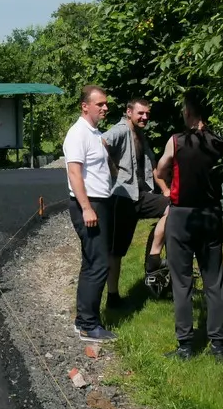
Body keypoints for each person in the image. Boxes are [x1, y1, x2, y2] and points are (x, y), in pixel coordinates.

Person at [155, 89, 223, 362]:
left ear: (188, 111)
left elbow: (160, 170)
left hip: (182, 216)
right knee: (214, 280)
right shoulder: (220, 143)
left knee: (182, 281)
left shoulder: (175, 142)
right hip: (210, 215)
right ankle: (218, 344)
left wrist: (166, 183)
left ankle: (186, 345)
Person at [101, 98, 170, 306]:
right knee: (117, 250)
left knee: (172, 207)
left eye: (147, 114)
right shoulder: (121, 130)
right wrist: (114, 174)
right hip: (122, 198)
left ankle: (152, 259)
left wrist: (166, 189)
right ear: (128, 112)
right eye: (141, 113)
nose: (145, 117)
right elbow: (101, 144)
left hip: (140, 194)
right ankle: (113, 296)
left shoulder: (140, 134)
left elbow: (154, 166)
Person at [63, 85, 117, 342]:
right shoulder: (77, 134)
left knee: (91, 262)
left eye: (106, 104)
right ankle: (88, 325)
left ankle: (83, 318)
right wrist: (87, 208)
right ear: (85, 106)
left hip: (99, 203)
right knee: (100, 264)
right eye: (100, 104)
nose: (105, 107)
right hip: (89, 204)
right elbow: (74, 173)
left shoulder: (94, 133)